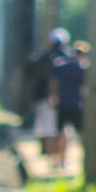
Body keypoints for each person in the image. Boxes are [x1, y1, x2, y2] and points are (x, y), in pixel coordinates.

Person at [28, 28, 69, 157]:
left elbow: (30, 73)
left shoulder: (41, 57)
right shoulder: (69, 58)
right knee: (63, 130)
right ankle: (60, 158)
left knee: (47, 129)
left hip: (45, 97)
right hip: (64, 99)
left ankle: (51, 157)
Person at [50, 41, 89, 170]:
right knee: (81, 133)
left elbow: (54, 82)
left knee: (61, 132)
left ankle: (60, 159)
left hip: (63, 102)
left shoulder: (62, 66)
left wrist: (54, 96)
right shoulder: (84, 69)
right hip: (77, 104)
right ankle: (85, 160)